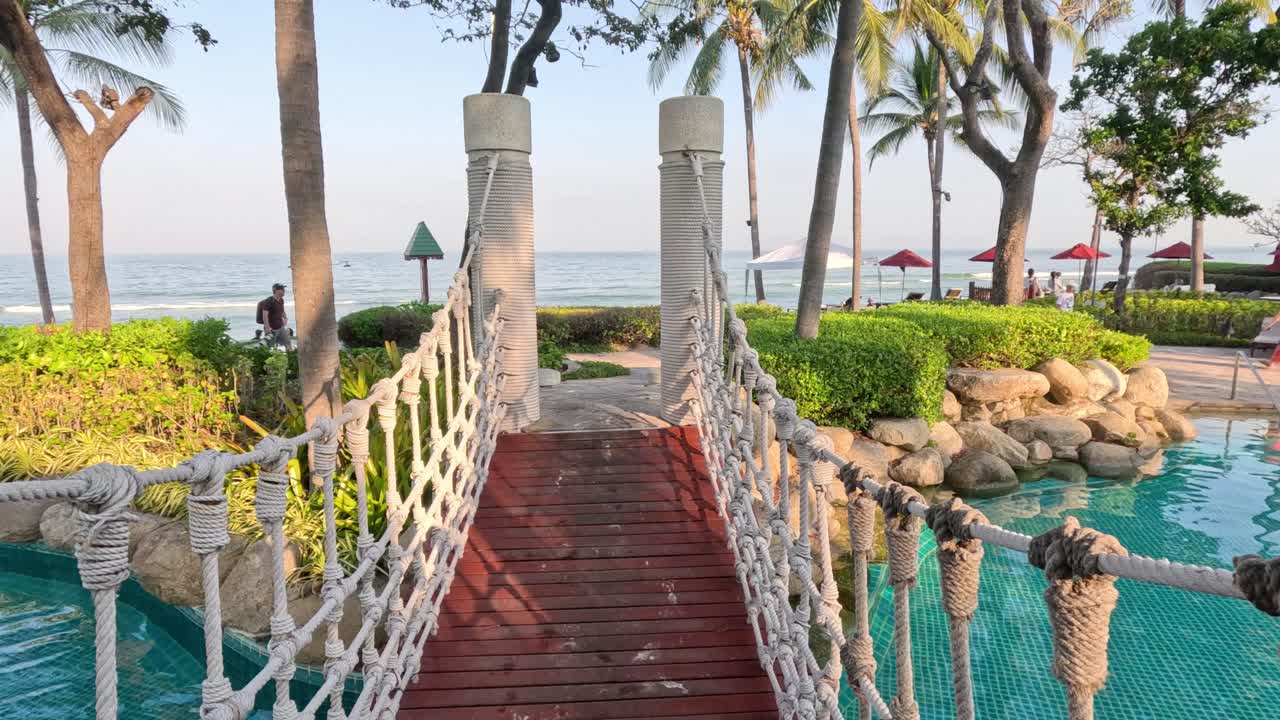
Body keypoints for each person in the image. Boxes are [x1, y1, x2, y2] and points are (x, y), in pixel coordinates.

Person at [258, 283, 291, 350]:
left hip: (281, 327)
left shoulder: (281, 300)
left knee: (287, 342)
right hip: (272, 329)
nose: (284, 290)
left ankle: (290, 356)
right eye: (282, 289)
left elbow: (282, 310)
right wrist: (267, 328)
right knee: (270, 347)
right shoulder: (269, 301)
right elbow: (265, 316)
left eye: (283, 289)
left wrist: (285, 318)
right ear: (276, 290)